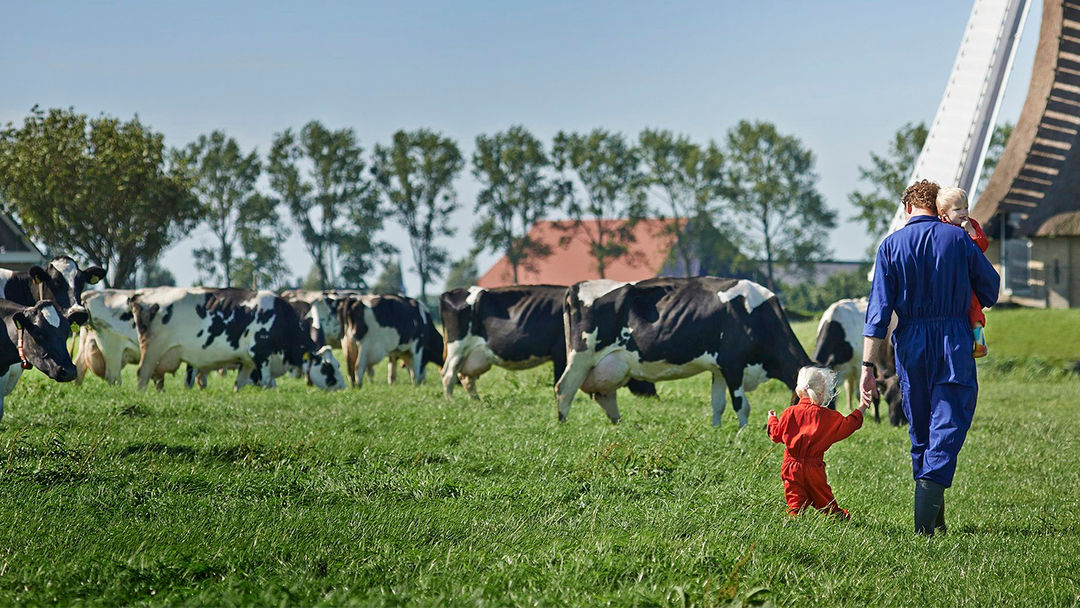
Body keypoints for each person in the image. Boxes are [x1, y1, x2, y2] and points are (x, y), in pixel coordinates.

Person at [861, 179, 1000, 535]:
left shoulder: (890, 247)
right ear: (938, 208)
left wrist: (867, 367)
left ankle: (934, 524)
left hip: (910, 343)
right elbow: (990, 288)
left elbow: (877, 315)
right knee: (949, 420)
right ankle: (925, 527)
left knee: (921, 429)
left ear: (908, 209)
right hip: (951, 338)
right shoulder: (957, 239)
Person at [767, 366, 867, 519]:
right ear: (822, 393)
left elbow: (776, 434)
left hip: (791, 466)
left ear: (799, 390)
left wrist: (772, 419)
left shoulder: (789, 413)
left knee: (795, 501)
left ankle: (794, 518)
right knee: (824, 500)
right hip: (814, 468)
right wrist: (861, 408)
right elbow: (848, 425)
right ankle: (838, 517)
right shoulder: (827, 417)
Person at [937, 186, 990, 357]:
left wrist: (971, 231)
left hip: (965, 278)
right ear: (944, 212)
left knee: (973, 307)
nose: (964, 212)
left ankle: (980, 342)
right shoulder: (939, 228)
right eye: (958, 209)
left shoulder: (971, 224)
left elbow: (983, 246)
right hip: (946, 278)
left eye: (966, 207)